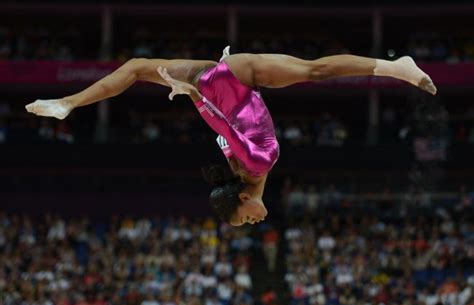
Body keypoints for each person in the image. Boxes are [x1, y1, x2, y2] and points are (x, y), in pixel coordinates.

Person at [25, 46, 437, 225]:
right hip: (217, 82)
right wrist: (197, 94)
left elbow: (224, 125)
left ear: (244, 199)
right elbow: (223, 131)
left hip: (234, 81)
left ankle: (396, 67)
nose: (252, 223)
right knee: (135, 66)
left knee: (316, 71)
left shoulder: (255, 166)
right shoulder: (240, 169)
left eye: (244, 221)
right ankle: (69, 102)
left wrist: (195, 98)